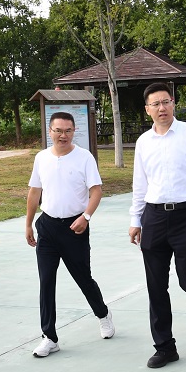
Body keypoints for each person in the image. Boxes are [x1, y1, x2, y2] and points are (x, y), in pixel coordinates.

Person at [129, 83, 186, 369]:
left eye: (166, 102)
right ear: (147, 109)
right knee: (156, 286)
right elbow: (139, 185)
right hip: (154, 217)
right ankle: (165, 347)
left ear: (173, 103)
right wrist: (135, 220)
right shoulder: (144, 142)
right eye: (155, 104)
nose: (162, 108)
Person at [25, 112, 115, 358]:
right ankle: (49, 337)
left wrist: (86, 217)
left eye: (67, 131)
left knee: (83, 278)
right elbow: (34, 192)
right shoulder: (42, 158)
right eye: (58, 130)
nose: (62, 135)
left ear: (74, 131)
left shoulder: (84, 157)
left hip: (75, 227)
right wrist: (28, 224)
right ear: (50, 131)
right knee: (46, 282)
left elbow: (96, 191)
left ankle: (103, 314)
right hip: (47, 227)